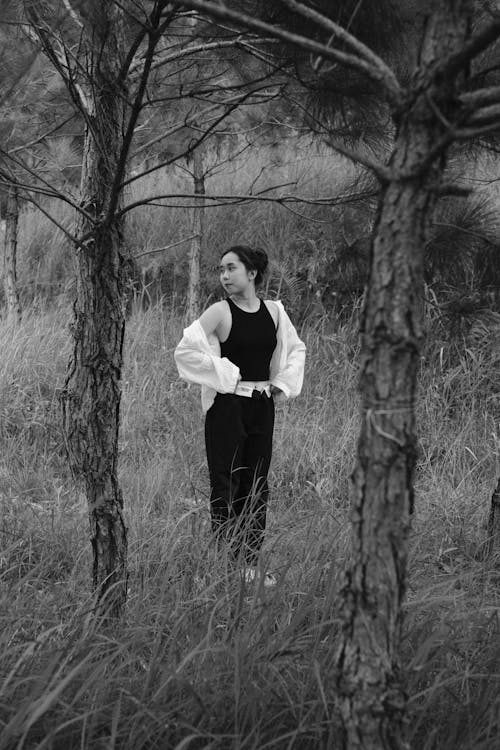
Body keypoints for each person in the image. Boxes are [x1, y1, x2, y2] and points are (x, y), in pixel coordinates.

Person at [174, 246, 306, 585]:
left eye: (231, 268)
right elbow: (186, 351)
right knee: (226, 482)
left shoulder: (275, 312)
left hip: (262, 406)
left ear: (252, 273)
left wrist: (282, 385)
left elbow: (296, 350)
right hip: (227, 408)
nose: (224, 276)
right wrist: (226, 375)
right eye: (221, 270)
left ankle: (248, 563)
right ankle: (226, 562)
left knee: (257, 483)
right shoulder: (219, 311)